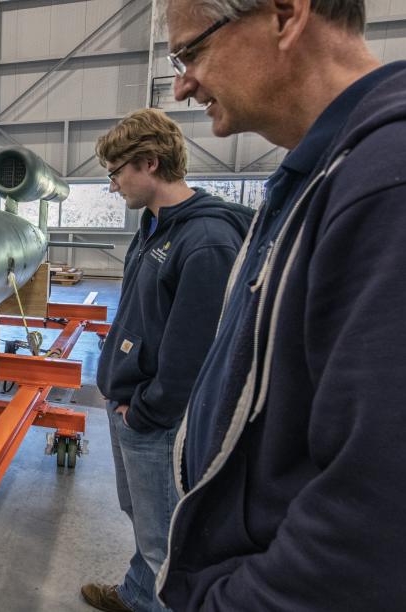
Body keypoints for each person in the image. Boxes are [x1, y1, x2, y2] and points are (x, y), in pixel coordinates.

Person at [157, 0, 406, 609]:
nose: (183, 83)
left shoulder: (388, 182)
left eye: (191, 51)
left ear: (285, 15)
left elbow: (379, 510)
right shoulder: (320, 173)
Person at [83, 108, 253, 612]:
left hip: (154, 420)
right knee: (140, 514)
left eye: (116, 173)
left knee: (163, 541)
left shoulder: (205, 241)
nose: (112, 186)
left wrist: (146, 411)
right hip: (128, 403)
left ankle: (154, 597)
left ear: (150, 163)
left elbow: (192, 354)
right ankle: (139, 596)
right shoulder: (154, 225)